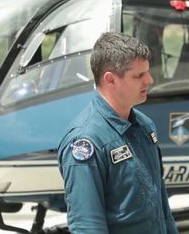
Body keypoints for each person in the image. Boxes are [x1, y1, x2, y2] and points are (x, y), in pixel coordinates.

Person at [58, 32, 178, 234]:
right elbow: (87, 225)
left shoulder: (144, 126)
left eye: (147, 72)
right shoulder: (86, 140)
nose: (149, 80)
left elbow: (161, 207)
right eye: (138, 75)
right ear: (110, 79)